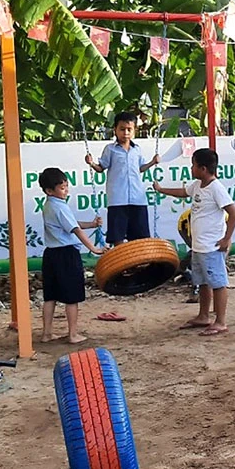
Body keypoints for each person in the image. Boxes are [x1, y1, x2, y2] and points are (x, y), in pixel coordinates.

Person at [154, 148, 235, 336]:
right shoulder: (198, 185)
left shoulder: (217, 188)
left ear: (203, 168)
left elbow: (233, 212)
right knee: (202, 282)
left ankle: (221, 321)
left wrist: (226, 239)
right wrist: (161, 190)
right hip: (199, 246)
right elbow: (183, 192)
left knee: (218, 283)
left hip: (212, 246)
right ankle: (203, 316)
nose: (191, 168)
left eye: (193, 165)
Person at [38, 167, 104, 344]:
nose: (66, 190)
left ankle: (46, 333)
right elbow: (75, 229)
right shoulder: (59, 207)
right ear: (49, 190)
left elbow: (71, 224)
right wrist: (94, 248)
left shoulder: (49, 205)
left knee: (50, 296)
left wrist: (91, 224)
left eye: (67, 186)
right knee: (72, 297)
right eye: (62, 188)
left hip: (51, 254)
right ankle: (73, 334)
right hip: (66, 255)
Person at [84, 111, 160, 246]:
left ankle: (138, 265)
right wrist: (92, 163)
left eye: (129, 129)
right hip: (117, 199)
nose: (125, 133)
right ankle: (121, 264)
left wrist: (152, 162)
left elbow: (140, 168)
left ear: (134, 131)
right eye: (122, 129)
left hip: (137, 198)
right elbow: (101, 168)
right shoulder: (110, 149)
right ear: (115, 130)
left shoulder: (137, 149)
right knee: (117, 235)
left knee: (139, 235)